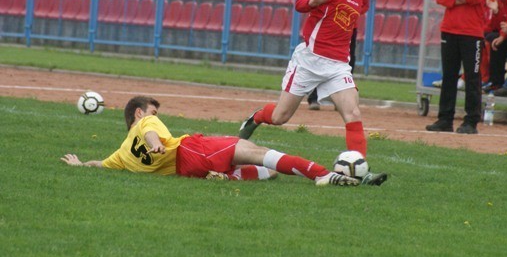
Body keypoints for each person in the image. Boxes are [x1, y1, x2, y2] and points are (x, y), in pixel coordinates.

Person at [237, 0, 387, 185]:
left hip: (338, 65)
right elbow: (299, 4)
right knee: (280, 116)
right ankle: (256, 118)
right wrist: (316, 1)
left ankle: (361, 170)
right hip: (309, 61)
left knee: (353, 112)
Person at [60, 96, 361, 186]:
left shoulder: (122, 153)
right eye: (151, 110)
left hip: (187, 171)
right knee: (259, 152)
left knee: (263, 171)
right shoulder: (145, 123)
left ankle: (225, 175)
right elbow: (152, 132)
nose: (154, 115)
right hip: (193, 150)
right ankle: (323, 174)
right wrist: (154, 142)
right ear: (138, 113)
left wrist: (79, 165)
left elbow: (101, 164)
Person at [426, 0, 494, 134]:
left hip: (472, 34)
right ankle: (445, 119)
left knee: (473, 78)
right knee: (449, 76)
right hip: (449, 30)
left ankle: (471, 121)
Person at [306, 0, 368, 111]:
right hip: (324, 22)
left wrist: (351, 11)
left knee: (348, 59)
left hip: (347, 25)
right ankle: (313, 97)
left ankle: (340, 98)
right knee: (315, 58)